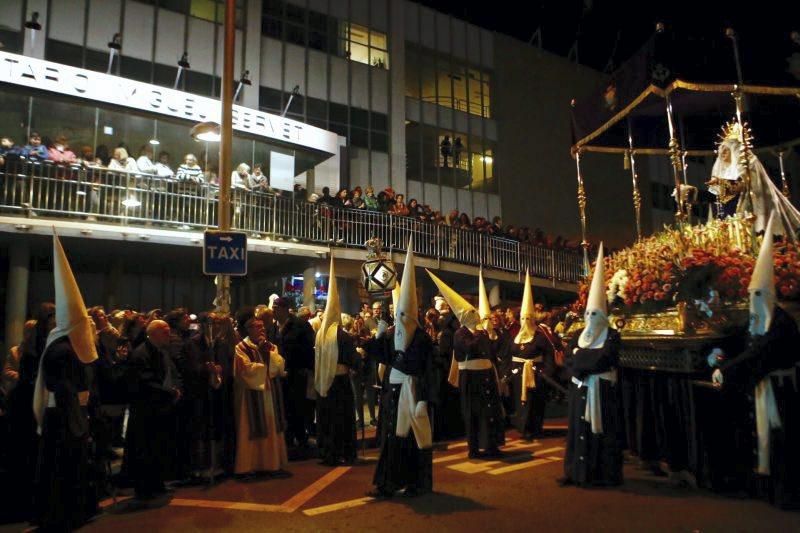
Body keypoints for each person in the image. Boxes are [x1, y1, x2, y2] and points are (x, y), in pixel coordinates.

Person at [707, 214, 800, 508]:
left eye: (758, 295)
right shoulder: (756, 320)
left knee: (781, 442)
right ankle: (760, 486)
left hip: (781, 392)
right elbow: (738, 340)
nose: (753, 301)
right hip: (758, 389)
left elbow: (759, 352)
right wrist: (718, 354)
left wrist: (727, 368)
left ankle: (784, 492)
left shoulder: (781, 323)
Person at [32, 234, 100, 530]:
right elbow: (65, 388)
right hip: (64, 416)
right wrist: (78, 420)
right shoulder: (62, 349)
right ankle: (64, 515)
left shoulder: (60, 344)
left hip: (65, 414)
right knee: (63, 468)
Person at [371, 242, 434, 497]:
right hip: (393, 393)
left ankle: (415, 483)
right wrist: (379, 331)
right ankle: (388, 483)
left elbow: (430, 370)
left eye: (404, 316)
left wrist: (424, 399)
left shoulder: (422, 339)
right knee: (392, 438)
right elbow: (378, 356)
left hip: (413, 392)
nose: (401, 320)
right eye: (399, 315)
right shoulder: (392, 334)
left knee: (412, 440)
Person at [561, 244, 623, 488]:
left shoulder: (612, 335)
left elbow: (602, 359)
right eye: (588, 314)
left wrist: (580, 358)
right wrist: (581, 358)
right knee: (577, 429)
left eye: (595, 314)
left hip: (602, 392)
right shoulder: (578, 333)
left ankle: (601, 474)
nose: (590, 320)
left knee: (602, 432)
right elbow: (568, 358)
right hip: (580, 389)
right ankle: (576, 471)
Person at [429, 270, 504, 458]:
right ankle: (473, 448)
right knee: (472, 413)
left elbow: (490, 352)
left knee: (489, 412)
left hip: (485, 375)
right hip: (470, 377)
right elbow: (468, 348)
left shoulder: (482, 332)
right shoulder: (460, 334)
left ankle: (491, 444)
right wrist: (480, 335)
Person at [707, 124, 800, 235]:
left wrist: (724, 183)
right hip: (730, 211)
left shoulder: (749, 162)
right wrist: (721, 184)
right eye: (720, 150)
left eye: (725, 150)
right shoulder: (724, 171)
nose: (722, 153)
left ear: (734, 150)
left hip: (749, 206)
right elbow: (724, 194)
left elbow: (750, 184)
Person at [126, 319, 183, 500]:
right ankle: (145, 488)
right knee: (145, 450)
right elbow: (145, 382)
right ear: (154, 333)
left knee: (158, 448)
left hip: (160, 409)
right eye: (165, 332)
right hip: (146, 411)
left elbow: (172, 373)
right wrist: (169, 392)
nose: (169, 335)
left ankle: (156, 483)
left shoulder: (161, 352)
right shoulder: (140, 354)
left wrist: (177, 388)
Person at [233, 308, 289, 476]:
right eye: (258, 327)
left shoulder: (270, 346)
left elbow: (279, 366)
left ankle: (272, 464)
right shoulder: (241, 347)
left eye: (263, 327)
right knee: (251, 428)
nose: (262, 330)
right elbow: (245, 370)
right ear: (249, 329)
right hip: (252, 394)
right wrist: (264, 364)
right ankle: (250, 466)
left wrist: (267, 356)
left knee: (271, 427)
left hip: (269, 392)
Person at [314, 259, 358, 465]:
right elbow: (353, 360)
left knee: (326, 418)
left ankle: (327, 452)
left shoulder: (320, 334)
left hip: (323, 382)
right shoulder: (344, 336)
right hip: (339, 382)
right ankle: (344, 452)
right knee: (342, 419)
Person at [506, 271, 559, 440]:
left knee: (535, 403)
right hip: (518, 376)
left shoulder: (540, 336)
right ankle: (523, 428)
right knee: (521, 403)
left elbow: (548, 354)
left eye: (529, 318)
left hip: (537, 375)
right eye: (523, 318)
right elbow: (509, 355)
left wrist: (547, 372)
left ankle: (535, 428)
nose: (526, 322)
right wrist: (509, 371)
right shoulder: (514, 336)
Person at [272, 297, 316, 452]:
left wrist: (306, 369)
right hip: (279, 375)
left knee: (298, 408)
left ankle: (301, 440)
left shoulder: (300, 326)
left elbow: (309, 349)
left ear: (285, 309)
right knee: (283, 408)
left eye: (276, 307)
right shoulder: (273, 327)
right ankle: (288, 440)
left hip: (296, 374)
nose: (274, 310)